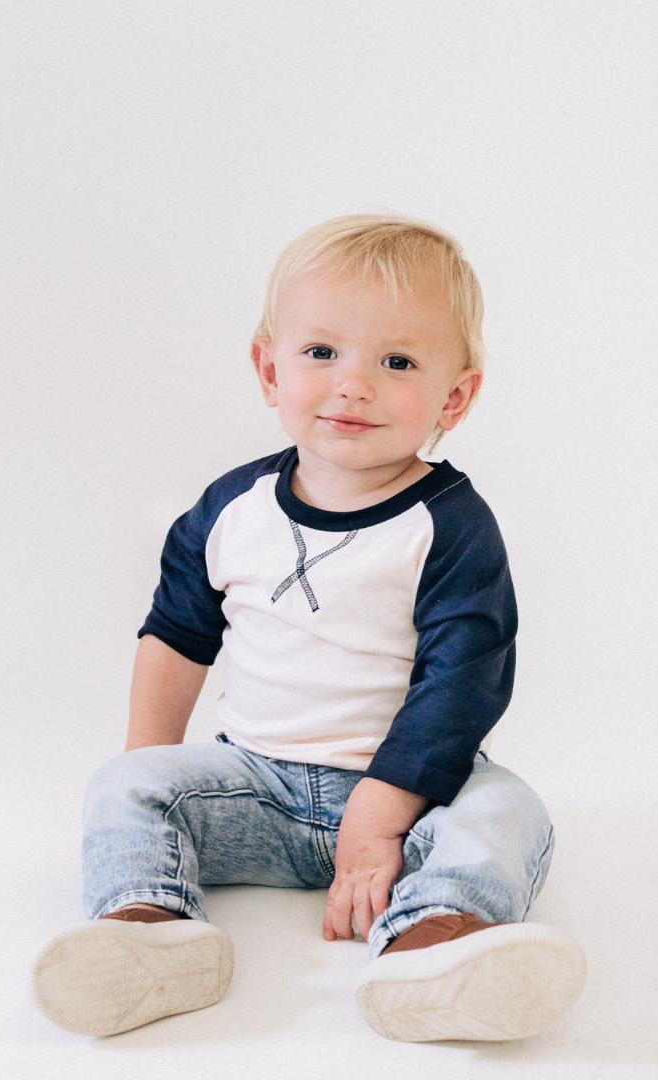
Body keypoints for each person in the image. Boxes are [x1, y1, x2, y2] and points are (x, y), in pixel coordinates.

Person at [32, 214, 586, 1042]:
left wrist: (383, 810)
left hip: (412, 794)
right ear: (269, 369)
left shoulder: (450, 525)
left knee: (510, 810)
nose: (352, 384)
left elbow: (465, 679)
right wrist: (149, 767)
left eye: (397, 362)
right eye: (322, 352)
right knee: (120, 786)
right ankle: (149, 928)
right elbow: (176, 635)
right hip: (252, 787)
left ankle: (435, 936)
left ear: (455, 397)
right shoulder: (233, 508)